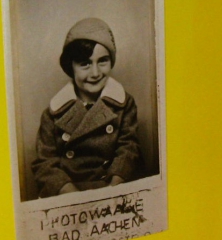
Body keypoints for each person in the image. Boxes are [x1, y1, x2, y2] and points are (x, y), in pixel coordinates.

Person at [32, 18, 144, 198]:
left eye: (103, 61)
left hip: (111, 189)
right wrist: (71, 194)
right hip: (68, 194)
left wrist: (114, 187)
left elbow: (128, 149)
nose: (95, 73)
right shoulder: (54, 112)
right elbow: (45, 164)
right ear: (71, 66)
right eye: (85, 63)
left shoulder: (124, 104)